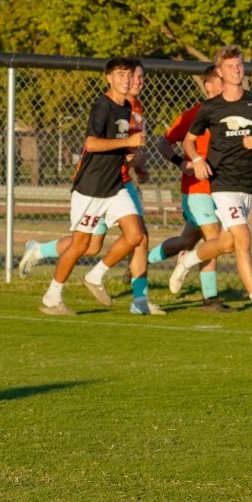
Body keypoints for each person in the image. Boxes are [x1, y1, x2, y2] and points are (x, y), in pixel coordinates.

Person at [168, 46, 252, 323]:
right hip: (221, 183)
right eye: (230, 67)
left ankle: (188, 260)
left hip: (247, 184)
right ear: (220, 72)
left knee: (228, 243)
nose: (236, 70)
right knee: (244, 240)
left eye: (240, 65)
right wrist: (196, 159)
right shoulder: (211, 107)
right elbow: (188, 140)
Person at [39, 57, 157, 316]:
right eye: (121, 75)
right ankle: (52, 296)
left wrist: (128, 154)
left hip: (115, 185)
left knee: (137, 235)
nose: (127, 80)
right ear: (109, 78)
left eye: (129, 75)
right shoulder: (101, 106)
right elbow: (91, 144)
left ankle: (96, 275)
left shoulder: (127, 107)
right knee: (81, 246)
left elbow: (117, 142)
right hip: (91, 187)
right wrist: (128, 143)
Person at [19, 74, 150, 286]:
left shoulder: (135, 107)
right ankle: (39, 252)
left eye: (140, 77)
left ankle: (139, 300)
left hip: (120, 182)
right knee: (89, 246)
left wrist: (138, 164)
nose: (135, 81)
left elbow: (129, 148)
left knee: (138, 236)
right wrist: (129, 152)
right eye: (129, 75)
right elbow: (97, 143)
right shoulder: (108, 105)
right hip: (98, 182)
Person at [148, 65, 228, 311]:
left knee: (186, 241)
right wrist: (181, 163)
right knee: (213, 238)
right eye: (222, 81)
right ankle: (210, 299)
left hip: (223, 189)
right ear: (209, 86)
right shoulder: (195, 114)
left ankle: (142, 261)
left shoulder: (234, 115)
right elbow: (164, 143)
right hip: (197, 188)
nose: (231, 85)